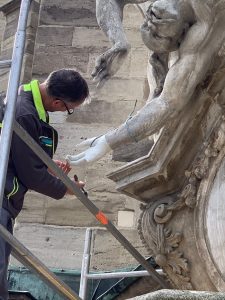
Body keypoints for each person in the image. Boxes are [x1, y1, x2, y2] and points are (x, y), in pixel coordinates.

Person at [66, 0, 225, 166]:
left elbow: (168, 103)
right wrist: (119, 41)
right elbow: (168, 101)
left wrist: (109, 142)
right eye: (152, 25)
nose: (154, 23)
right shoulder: (200, 30)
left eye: (157, 32)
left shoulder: (206, 28)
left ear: (183, 36)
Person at [0, 68, 89, 299]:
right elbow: (31, 176)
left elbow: (16, 151)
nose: (65, 112)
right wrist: (69, 189)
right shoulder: (25, 113)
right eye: (69, 110)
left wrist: (45, 162)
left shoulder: (25, 100)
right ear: (58, 102)